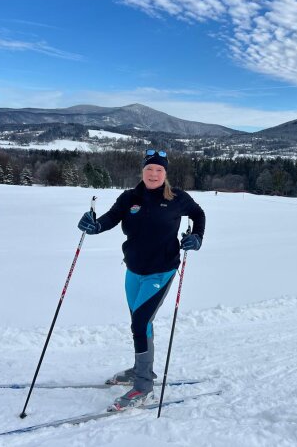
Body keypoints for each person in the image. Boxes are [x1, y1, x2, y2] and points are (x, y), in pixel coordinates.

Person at [77, 149, 205, 412]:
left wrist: (197, 237)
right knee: (139, 322)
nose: (154, 174)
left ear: (165, 174)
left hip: (162, 271)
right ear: (143, 172)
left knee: (140, 321)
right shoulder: (130, 197)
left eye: (159, 170)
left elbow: (198, 213)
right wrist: (94, 225)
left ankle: (144, 385)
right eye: (150, 169)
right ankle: (139, 368)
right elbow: (111, 218)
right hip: (133, 270)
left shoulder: (177, 198)